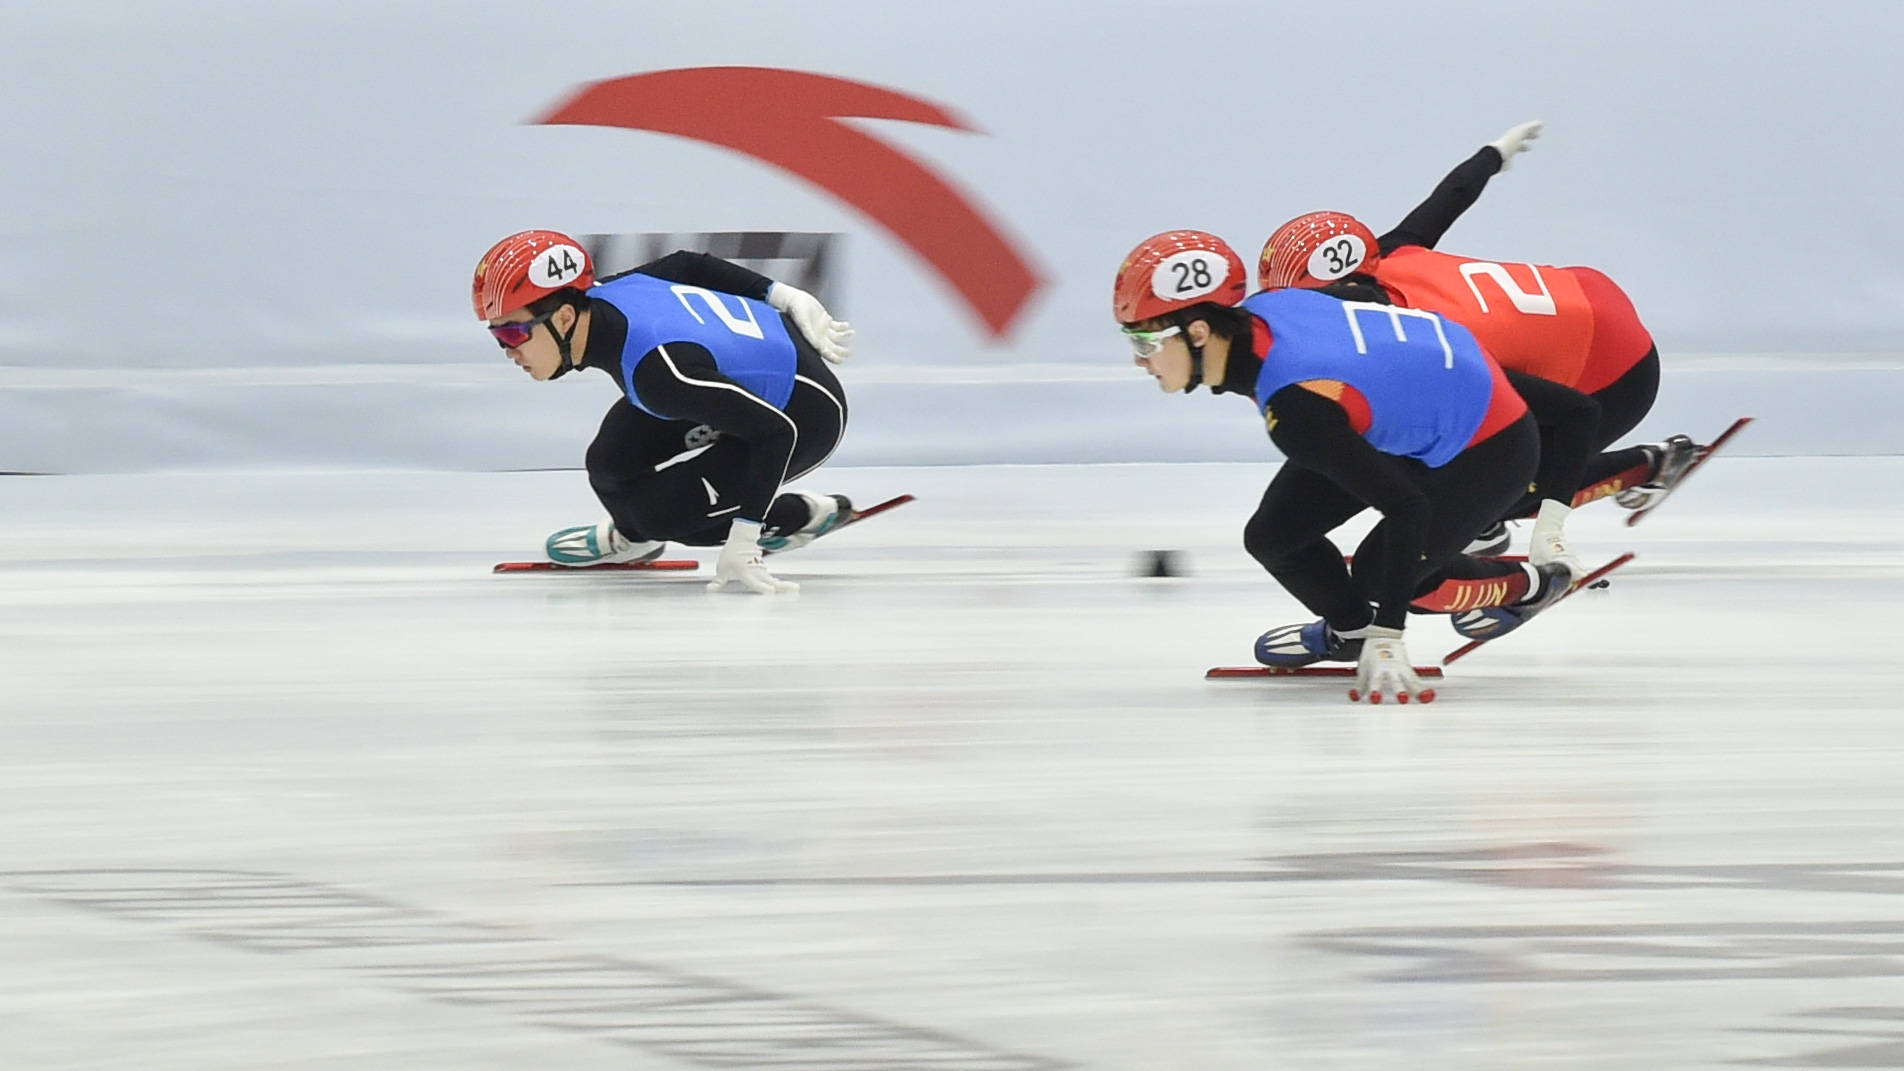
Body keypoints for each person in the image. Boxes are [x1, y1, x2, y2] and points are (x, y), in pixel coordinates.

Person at [1113, 230, 1577, 704]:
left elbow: (1406, 507)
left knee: (1384, 577)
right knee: (1274, 537)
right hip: (1407, 409)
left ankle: (1534, 584)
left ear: (1198, 333)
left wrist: (1389, 634)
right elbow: (1359, 299)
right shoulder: (1269, 309)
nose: (1138, 359)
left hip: (1490, 443)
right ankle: (1350, 632)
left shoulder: (1296, 407)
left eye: (1144, 341)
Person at [1258, 122, 1698, 561]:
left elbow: (1563, 413)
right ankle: (1486, 520)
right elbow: (1449, 197)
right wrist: (1493, 155)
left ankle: (1650, 463)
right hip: (1585, 294)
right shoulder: (1386, 255)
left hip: (1616, 371)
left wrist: (1548, 527)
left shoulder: (1423, 342)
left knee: (1505, 471)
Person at [472, 229, 857, 595]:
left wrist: (744, 538)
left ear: (564, 318)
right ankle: (634, 539)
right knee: (609, 462)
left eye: (512, 333)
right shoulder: (606, 293)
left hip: (805, 414)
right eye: (497, 335)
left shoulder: (659, 374)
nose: (509, 351)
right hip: (720, 375)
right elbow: (687, 265)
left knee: (668, 519)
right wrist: (780, 293)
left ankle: (798, 515)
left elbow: (777, 433)